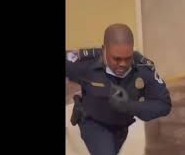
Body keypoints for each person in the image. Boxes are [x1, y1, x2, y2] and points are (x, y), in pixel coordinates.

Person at [66, 23, 172, 155]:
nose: (122, 64)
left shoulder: (143, 68)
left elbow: (164, 104)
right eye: (116, 59)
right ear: (104, 50)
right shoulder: (86, 63)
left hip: (121, 127)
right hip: (93, 122)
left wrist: (130, 105)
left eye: (127, 58)